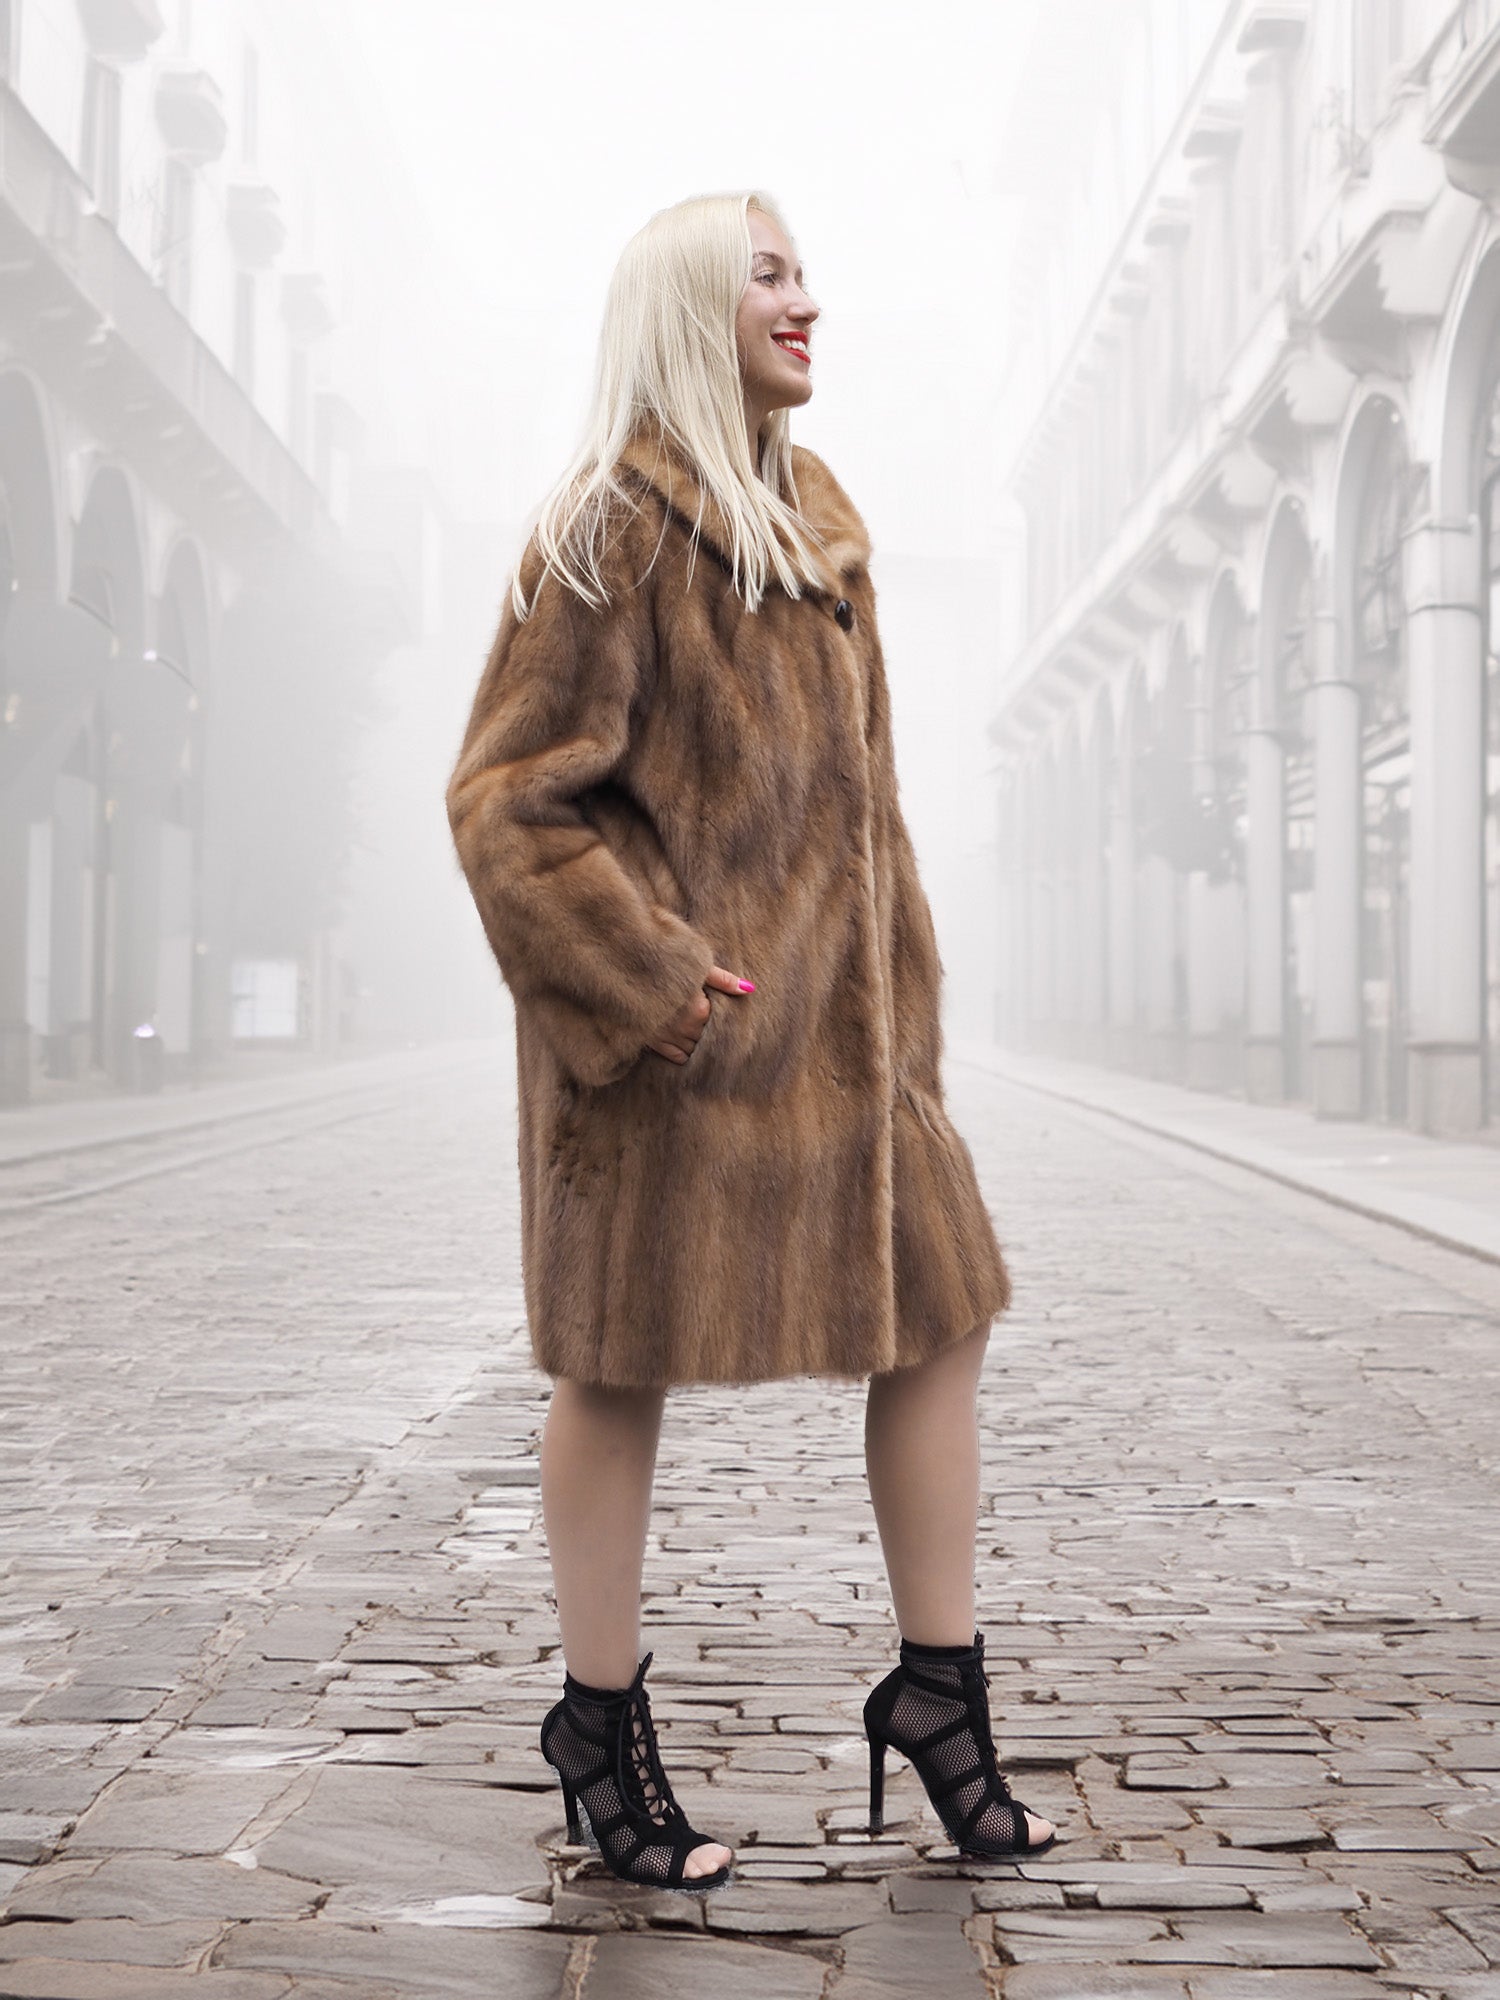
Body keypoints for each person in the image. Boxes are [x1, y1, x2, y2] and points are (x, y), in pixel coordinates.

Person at [445, 190, 1056, 1892]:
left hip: (857, 1067)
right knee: (614, 1370)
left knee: (943, 1319)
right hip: (671, 1056)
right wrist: (645, 979)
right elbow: (506, 802)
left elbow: (862, 820)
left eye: (805, 271)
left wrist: (904, 1001)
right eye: (770, 276)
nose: (810, 302)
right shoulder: (613, 532)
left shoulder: (817, 532)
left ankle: (940, 1694)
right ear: (691, 310)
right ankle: (598, 1725)